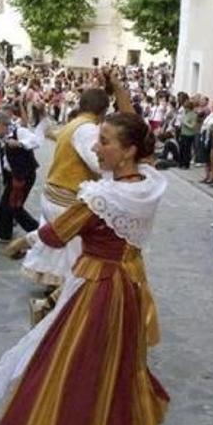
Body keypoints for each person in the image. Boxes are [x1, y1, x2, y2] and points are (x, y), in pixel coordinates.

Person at [0, 113, 169, 425]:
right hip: (129, 285)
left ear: (129, 150)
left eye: (105, 141)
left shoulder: (102, 196)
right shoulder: (146, 184)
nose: (96, 148)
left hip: (98, 286)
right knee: (113, 365)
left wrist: (25, 240)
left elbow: (57, 233)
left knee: (69, 365)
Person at [22, 71, 133, 288]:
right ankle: (69, 294)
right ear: (102, 110)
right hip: (65, 198)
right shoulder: (87, 129)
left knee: (62, 247)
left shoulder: (74, 124)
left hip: (56, 194)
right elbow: (97, 163)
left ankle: (55, 287)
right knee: (78, 250)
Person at [0, 111, 40, 241]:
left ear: (2, 124)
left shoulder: (19, 132)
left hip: (24, 175)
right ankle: (4, 234)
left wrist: (20, 144)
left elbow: (36, 141)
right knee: (6, 205)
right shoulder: (2, 140)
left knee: (14, 207)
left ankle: (37, 231)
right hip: (13, 176)